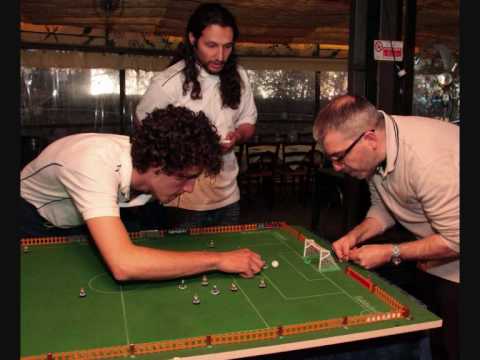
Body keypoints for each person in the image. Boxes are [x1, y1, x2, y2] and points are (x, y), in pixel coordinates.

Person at [20, 105, 265, 281]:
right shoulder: (92, 164)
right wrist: (218, 259)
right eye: (184, 177)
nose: (189, 188)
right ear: (156, 166)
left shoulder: (143, 167)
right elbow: (125, 265)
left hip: (74, 218)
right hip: (29, 219)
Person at [312, 94, 459, 360]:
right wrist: (355, 235)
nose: (336, 166)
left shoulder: (428, 162)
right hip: (438, 258)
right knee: (434, 340)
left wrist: (391, 252)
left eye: (339, 157)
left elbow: (458, 240)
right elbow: (384, 208)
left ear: (369, 139)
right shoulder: (379, 148)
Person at [136, 3, 257, 229]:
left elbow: (248, 122)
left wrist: (238, 136)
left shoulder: (239, 76)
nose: (220, 56)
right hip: (182, 202)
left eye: (227, 47)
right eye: (211, 45)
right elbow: (145, 132)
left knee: (227, 260)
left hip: (228, 197)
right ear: (192, 39)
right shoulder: (167, 83)